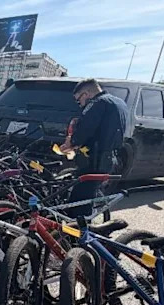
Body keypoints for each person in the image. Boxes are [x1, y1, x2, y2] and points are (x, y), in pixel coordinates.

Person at [61, 79, 129, 213]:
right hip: (110, 158)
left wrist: (71, 142)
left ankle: (79, 230)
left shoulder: (97, 103)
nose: (79, 104)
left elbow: (85, 129)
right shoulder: (119, 103)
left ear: (85, 94)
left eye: (78, 100)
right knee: (90, 193)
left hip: (95, 159)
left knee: (79, 201)